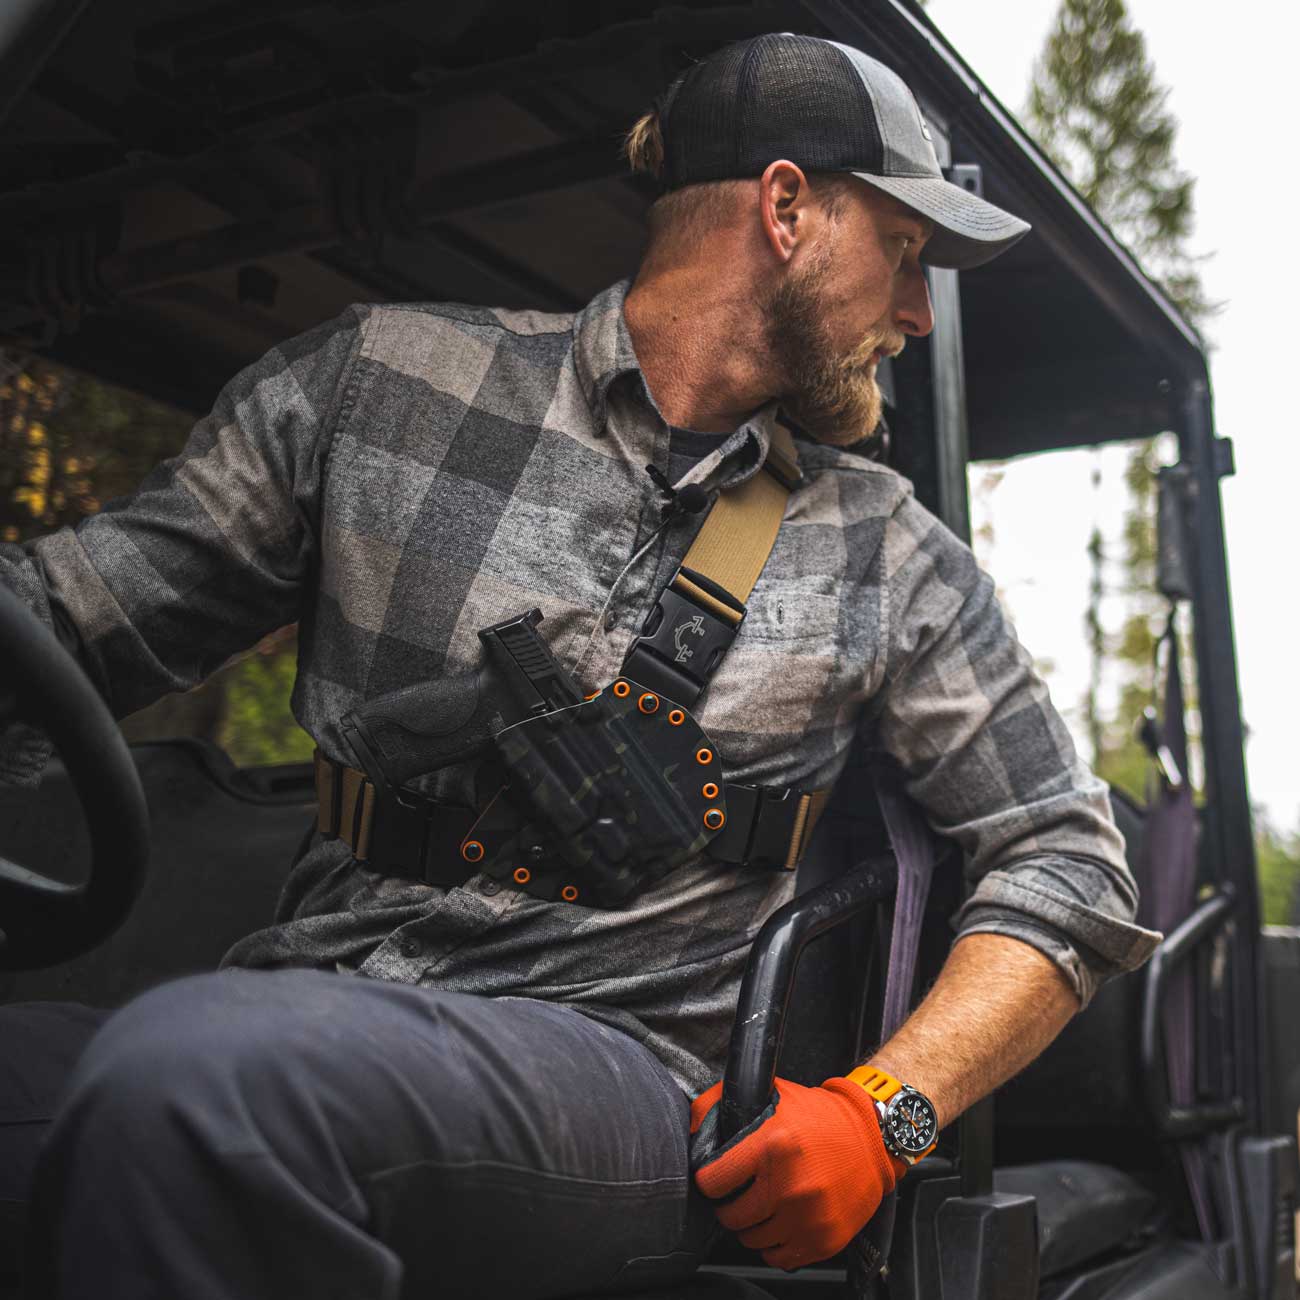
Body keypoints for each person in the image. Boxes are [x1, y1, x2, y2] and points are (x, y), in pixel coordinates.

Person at [0, 31, 1160, 1300]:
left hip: (623, 1073)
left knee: (204, 1085)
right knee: (194, 1072)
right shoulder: (375, 382)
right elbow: (61, 622)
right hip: (300, 997)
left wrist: (885, 1113)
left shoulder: (890, 551)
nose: (914, 311)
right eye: (903, 249)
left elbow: (1067, 862)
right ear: (786, 211)